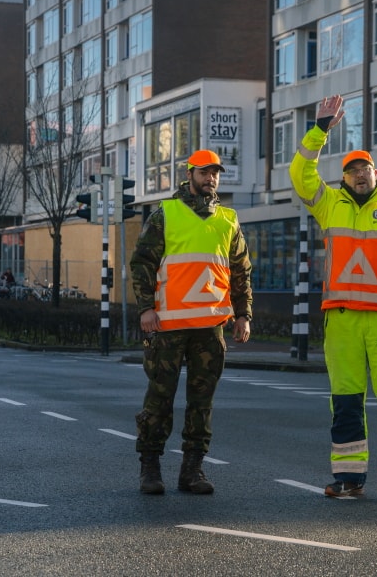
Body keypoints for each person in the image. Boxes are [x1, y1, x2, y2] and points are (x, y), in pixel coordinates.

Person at [289, 94, 377, 503]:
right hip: (344, 318)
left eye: (364, 169)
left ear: (375, 173)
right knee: (346, 404)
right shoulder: (329, 205)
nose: (358, 175)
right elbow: (300, 173)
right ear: (343, 178)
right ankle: (349, 478)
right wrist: (320, 130)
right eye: (351, 171)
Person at [130, 149, 253, 495]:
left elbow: (241, 272)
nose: (210, 178)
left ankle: (192, 470)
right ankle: (150, 467)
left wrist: (243, 315)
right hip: (166, 326)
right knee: (159, 398)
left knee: (202, 403)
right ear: (190, 175)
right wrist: (145, 309)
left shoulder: (228, 219)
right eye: (204, 172)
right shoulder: (165, 215)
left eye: (215, 173)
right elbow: (142, 264)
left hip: (210, 328)